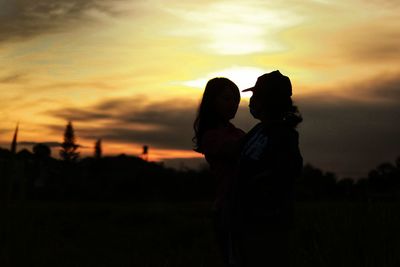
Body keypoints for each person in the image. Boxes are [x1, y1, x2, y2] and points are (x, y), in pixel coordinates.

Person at [237, 70, 303, 267]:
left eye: (255, 96)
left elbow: (286, 173)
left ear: (269, 100)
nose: (251, 101)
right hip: (249, 225)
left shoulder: (284, 136)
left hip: (268, 227)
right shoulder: (258, 131)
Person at [193, 77, 245, 267]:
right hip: (229, 207)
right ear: (212, 101)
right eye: (227, 99)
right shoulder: (211, 136)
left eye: (236, 101)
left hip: (244, 206)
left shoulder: (237, 132)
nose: (233, 105)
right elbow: (236, 150)